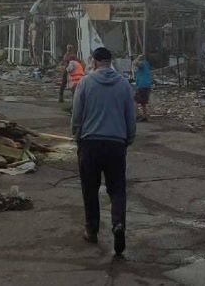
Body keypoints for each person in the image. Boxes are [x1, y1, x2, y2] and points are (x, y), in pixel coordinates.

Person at [71, 47, 136, 255]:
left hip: (90, 144)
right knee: (117, 189)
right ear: (110, 61)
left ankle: (92, 230)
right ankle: (118, 224)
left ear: (94, 62)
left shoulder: (85, 83)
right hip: (116, 143)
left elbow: (77, 115)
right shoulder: (124, 85)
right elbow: (130, 116)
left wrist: (77, 136)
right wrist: (128, 138)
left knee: (90, 189)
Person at [133, 55, 152, 121]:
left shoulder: (142, 64)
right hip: (147, 85)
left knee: (135, 100)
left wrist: (137, 58)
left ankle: (136, 116)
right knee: (143, 102)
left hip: (142, 85)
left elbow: (135, 63)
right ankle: (144, 116)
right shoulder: (147, 64)